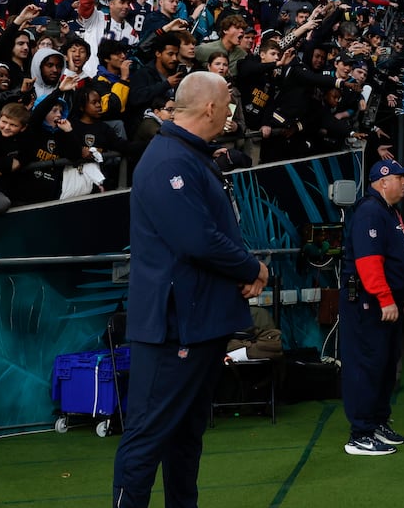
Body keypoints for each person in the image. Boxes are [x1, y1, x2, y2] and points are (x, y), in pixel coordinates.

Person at [112, 72, 268, 508]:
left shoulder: (189, 155)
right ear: (211, 109)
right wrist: (252, 266)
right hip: (173, 326)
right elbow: (195, 239)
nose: (231, 113)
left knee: (185, 436)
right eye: (228, 105)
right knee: (148, 435)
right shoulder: (168, 160)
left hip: (196, 323)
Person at [339, 158, 404, 456]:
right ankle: (359, 434)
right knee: (367, 365)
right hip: (369, 304)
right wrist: (385, 297)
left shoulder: (388, 211)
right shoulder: (370, 211)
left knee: (384, 366)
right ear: (383, 181)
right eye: (400, 177)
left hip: (386, 304)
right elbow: (369, 262)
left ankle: (376, 423)